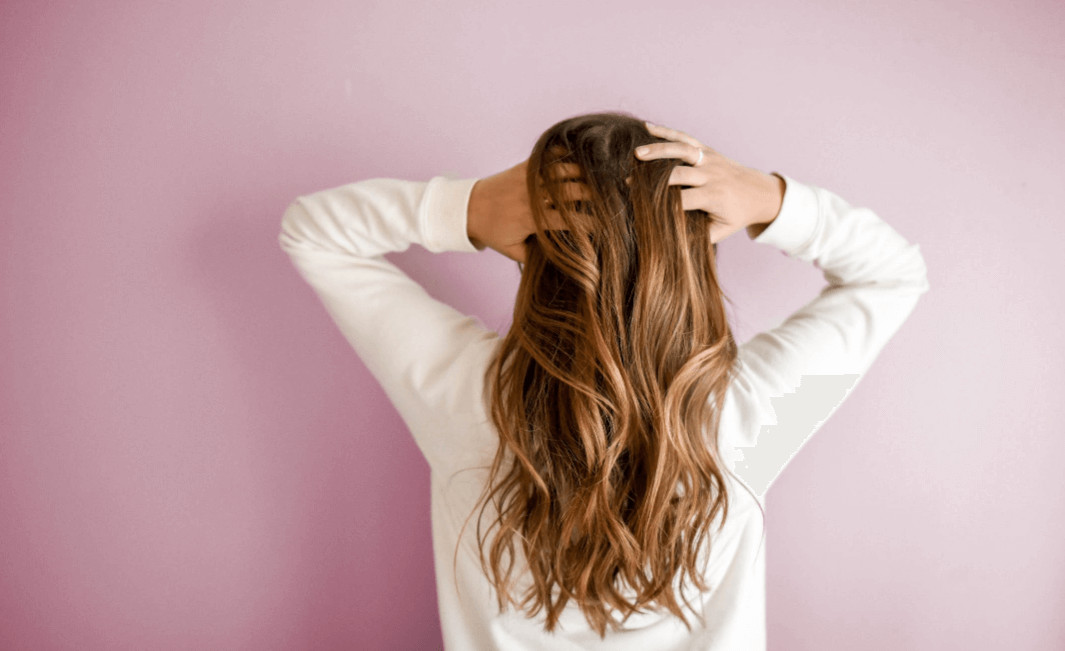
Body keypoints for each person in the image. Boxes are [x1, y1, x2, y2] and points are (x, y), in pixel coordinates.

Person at [278, 111, 930, 649]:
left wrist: (467, 207)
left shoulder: (468, 396)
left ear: (532, 250)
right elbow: (893, 273)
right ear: (693, 259)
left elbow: (312, 232)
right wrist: (769, 201)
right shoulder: (741, 414)